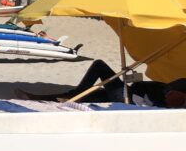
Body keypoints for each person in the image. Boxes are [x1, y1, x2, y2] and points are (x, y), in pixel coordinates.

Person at [15, 60, 186, 107]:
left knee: (99, 65)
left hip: (129, 98)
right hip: (130, 94)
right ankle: (37, 98)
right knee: (85, 95)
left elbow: (170, 99)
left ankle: (72, 95)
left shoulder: (183, 87)